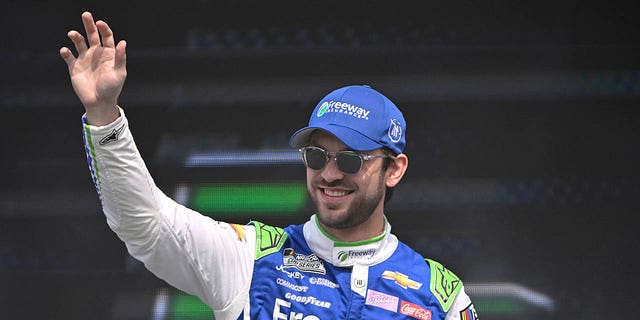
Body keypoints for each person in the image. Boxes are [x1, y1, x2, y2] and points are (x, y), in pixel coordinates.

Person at [60, 11, 478, 320]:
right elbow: (144, 223)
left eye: (350, 159)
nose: (330, 174)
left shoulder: (440, 297)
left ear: (394, 169)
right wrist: (104, 116)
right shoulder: (252, 258)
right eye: (317, 156)